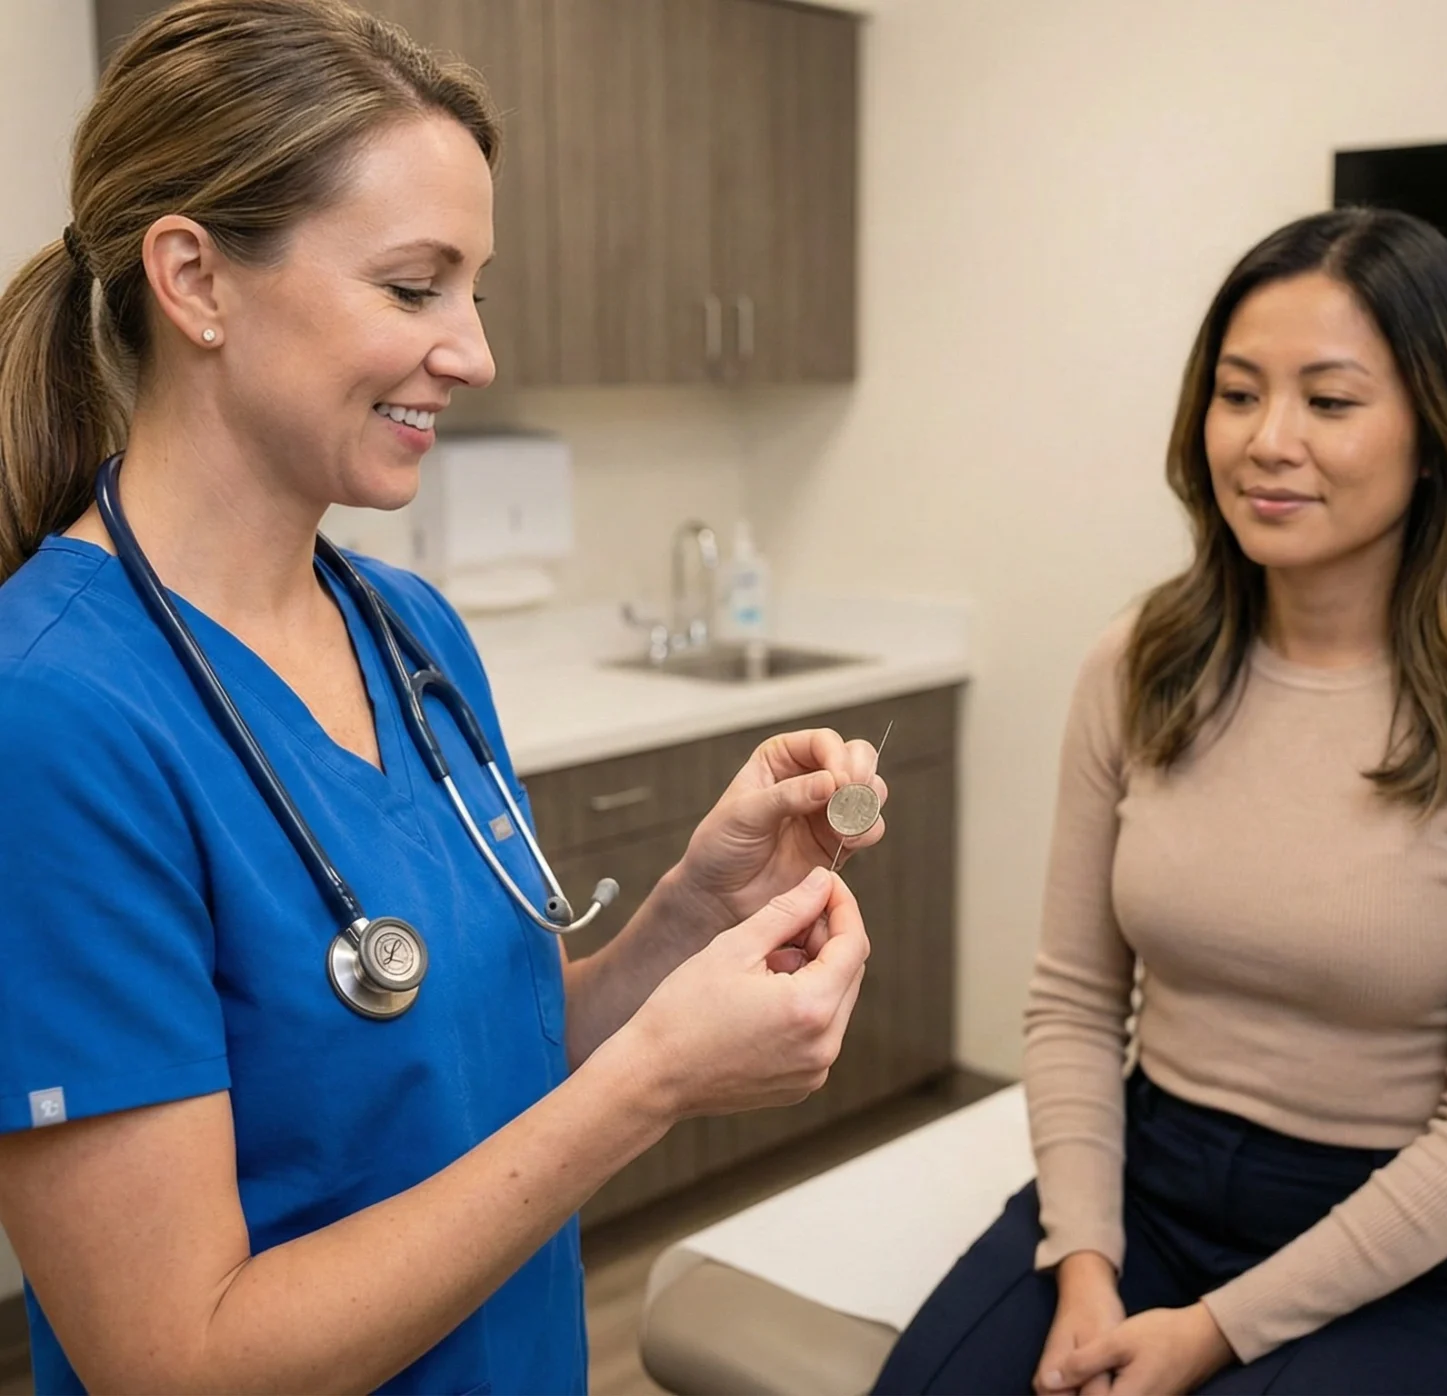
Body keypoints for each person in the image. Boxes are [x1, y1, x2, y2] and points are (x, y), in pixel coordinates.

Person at [0, 3, 885, 1390]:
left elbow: (477, 1071)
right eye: (415, 288)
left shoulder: (408, 635)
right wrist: (653, 1084)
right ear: (195, 279)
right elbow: (174, 1362)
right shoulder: (51, 717)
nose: (471, 350)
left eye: (475, 289)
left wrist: (684, 928)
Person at [874, 208, 1447, 1395]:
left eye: (1328, 402)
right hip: (1147, 1189)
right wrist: (1083, 1260)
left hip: (1410, 1253)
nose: (1269, 440)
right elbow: (1073, 1002)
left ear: (1437, 434)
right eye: (1238, 394)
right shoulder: (1139, 664)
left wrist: (1212, 1329)